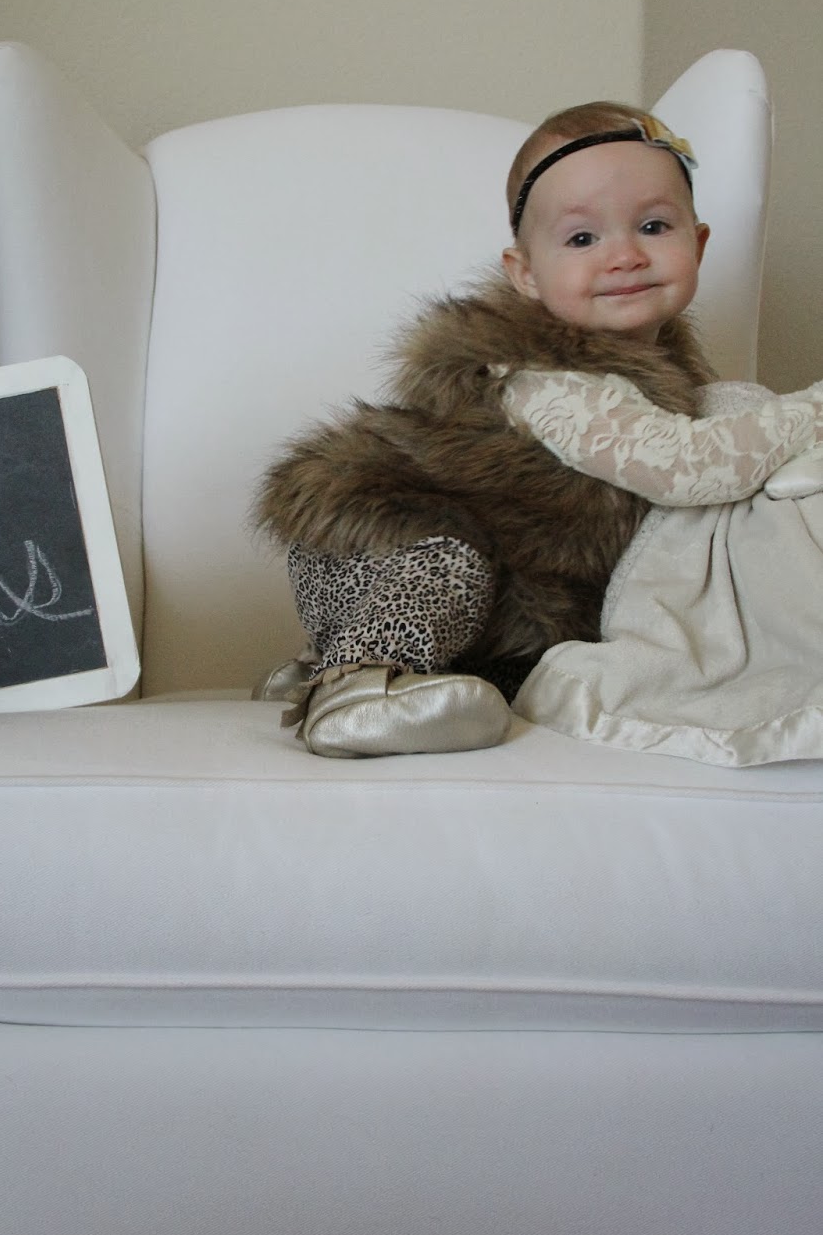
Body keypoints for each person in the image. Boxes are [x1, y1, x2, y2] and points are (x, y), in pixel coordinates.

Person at [254, 101, 823, 758]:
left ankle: (343, 667)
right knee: (447, 563)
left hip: (519, 586)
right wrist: (810, 410)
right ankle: (352, 686)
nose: (625, 255)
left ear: (697, 244)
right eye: (582, 239)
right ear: (525, 273)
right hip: (384, 535)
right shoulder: (541, 380)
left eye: (653, 226)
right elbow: (685, 467)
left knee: (525, 652)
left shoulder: (668, 378)